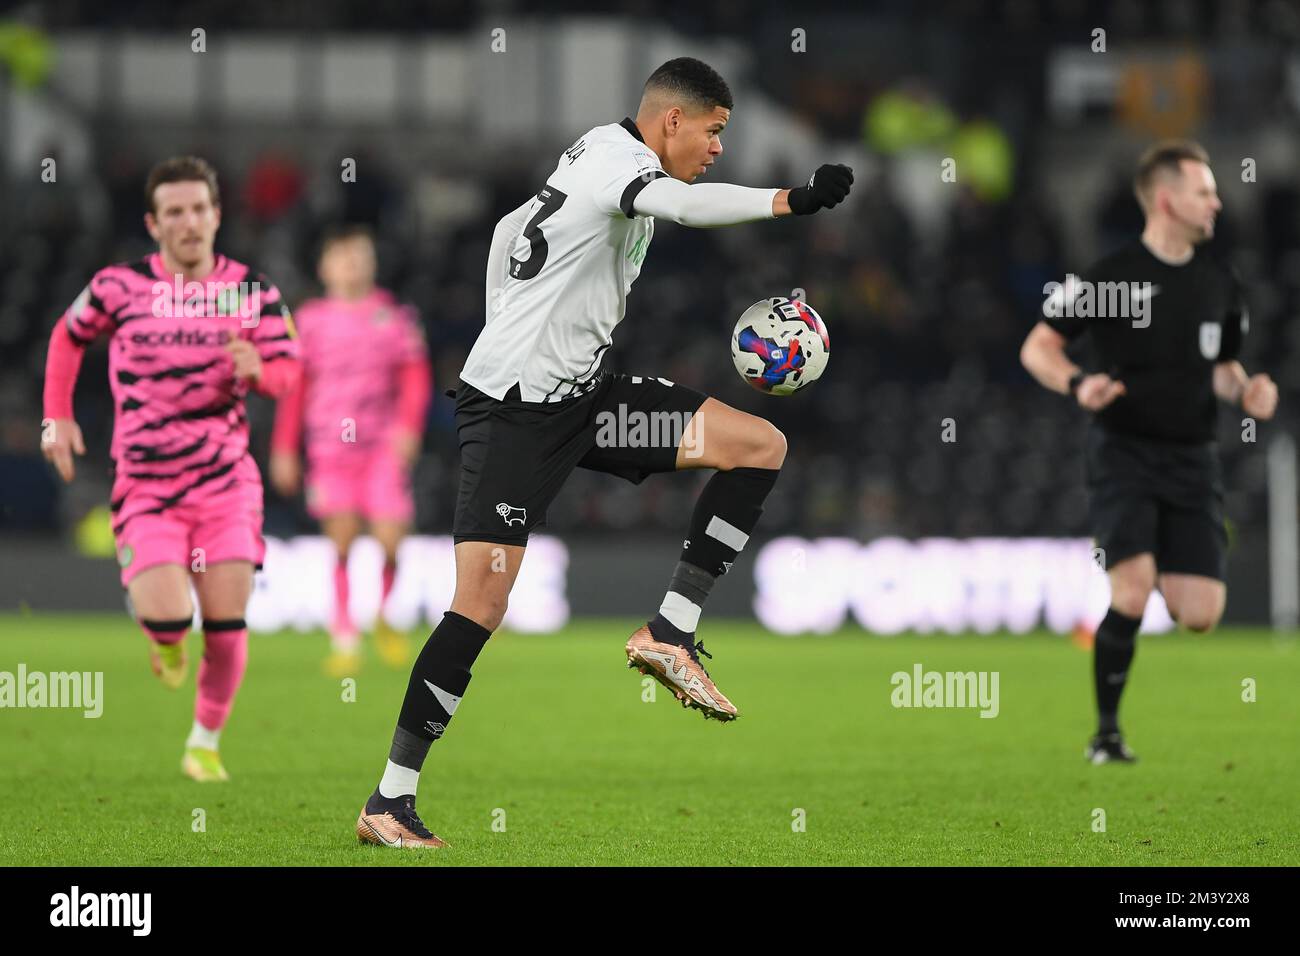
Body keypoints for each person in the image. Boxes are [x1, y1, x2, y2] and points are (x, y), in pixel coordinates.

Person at [355, 57, 854, 848]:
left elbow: (505, 232)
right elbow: (686, 209)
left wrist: (508, 314)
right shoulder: (626, 167)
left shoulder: (590, 150)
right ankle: (390, 799)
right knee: (481, 605)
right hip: (515, 412)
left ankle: (670, 631)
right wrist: (790, 200)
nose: (718, 147)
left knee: (758, 443)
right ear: (671, 123)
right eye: (715, 132)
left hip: (587, 402)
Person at [40, 156, 301, 782]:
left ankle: (204, 741)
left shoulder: (254, 291)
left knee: (227, 619)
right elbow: (67, 336)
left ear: (217, 215)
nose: (189, 222)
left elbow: (291, 371)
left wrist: (258, 372)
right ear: (155, 224)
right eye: (175, 212)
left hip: (225, 482)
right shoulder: (116, 286)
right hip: (146, 484)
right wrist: (57, 415)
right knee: (167, 617)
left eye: (199, 209)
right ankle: (163, 639)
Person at [1019, 140, 1278, 764]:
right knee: (1131, 594)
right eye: (1204, 191)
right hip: (1124, 454)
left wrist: (1247, 389)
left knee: (1200, 613)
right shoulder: (1106, 279)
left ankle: (1151, 557)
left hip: (1193, 458)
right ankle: (1106, 734)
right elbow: (1038, 348)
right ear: (1166, 199)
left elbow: (1221, 368)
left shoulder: (1220, 282)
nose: (1217, 201)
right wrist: (1079, 383)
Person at [270, 225, 432, 676]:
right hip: (329, 446)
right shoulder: (310, 320)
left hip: (381, 444)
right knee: (341, 538)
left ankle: (383, 616)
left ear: (372, 264)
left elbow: (415, 378)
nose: (351, 265)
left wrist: (408, 427)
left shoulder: (394, 316)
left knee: (391, 538)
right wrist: (284, 448)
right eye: (342, 258)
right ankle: (344, 633)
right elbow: (294, 388)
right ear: (325, 267)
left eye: (359, 257)